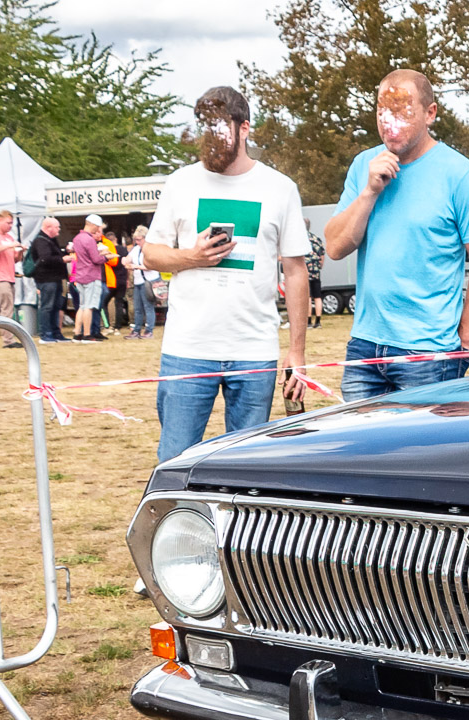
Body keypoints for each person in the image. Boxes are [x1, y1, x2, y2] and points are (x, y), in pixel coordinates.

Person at [142, 85, 311, 463]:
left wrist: (296, 352)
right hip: (187, 351)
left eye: (220, 128)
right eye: (205, 128)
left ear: (245, 128)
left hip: (254, 352)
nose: (211, 138)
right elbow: (151, 254)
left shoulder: (280, 189)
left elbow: (296, 271)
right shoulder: (180, 182)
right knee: (175, 461)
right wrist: (192, 257)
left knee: (247, 467)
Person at [324, 68, 469, 401]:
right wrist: (369, 192)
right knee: (360, 452)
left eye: (402, 110)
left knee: (421, 453)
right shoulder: (365, 165)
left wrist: (463, 340)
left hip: (429, 354)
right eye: (382, 110)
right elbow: (334, 247)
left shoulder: (458, 174)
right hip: (364, 348)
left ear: (430, 113)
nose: (389, 121)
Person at [69, 214, 109, 342]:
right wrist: (107, 257)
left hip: (80, 275)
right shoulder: (89, 239)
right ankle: (87, 334)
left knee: (81, 305)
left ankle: (77, 333)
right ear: (91, 224)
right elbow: (96, 259)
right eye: (97, 227)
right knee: (89, 306)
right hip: (91, 275)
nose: (97, 230)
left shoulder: (77, 238)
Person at [29, 218, 69, 343]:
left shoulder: (51, 240)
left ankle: (56, 333)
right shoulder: (41, 241)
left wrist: (64, 253)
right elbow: (45, 259)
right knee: (47, 307)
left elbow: (52, 255)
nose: (59, 230)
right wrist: (62, 260)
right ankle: (45, 334)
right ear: (48, 227)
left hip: (55, 278)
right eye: (57, 227)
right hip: (46, 279)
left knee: (57, 306)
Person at [125, 225, 160, 339]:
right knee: (137, 307)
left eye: (139, 239)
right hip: (138, 281)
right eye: (136, 240)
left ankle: (149, 330)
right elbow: (128, 258)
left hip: (149, 281)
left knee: (148, 306)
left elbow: (151, 266)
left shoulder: (150, 249)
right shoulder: (135, 249)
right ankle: (136, 330)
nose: (137, 242)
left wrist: (135, 266)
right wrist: (124, 261)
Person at [0, 210, 21, 345]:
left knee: (8, 308)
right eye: (8, 223)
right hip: (1, 278)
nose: (10, 226)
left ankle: (8, 338)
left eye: (12, 223)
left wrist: (19, 253)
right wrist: (9, 246)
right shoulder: (5, 240)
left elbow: (14, 259)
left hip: (10, 276)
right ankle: (8, 340)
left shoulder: (9, 237)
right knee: (6, 309)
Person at [304, 219, 325, 328]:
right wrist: (320, 265)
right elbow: (322, 254)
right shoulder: (316, 239)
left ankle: (308, 322)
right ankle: (318, 321)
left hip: (305, 271)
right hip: (315, 272)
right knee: (317, 297)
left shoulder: (300, 239)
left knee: (308, 297)